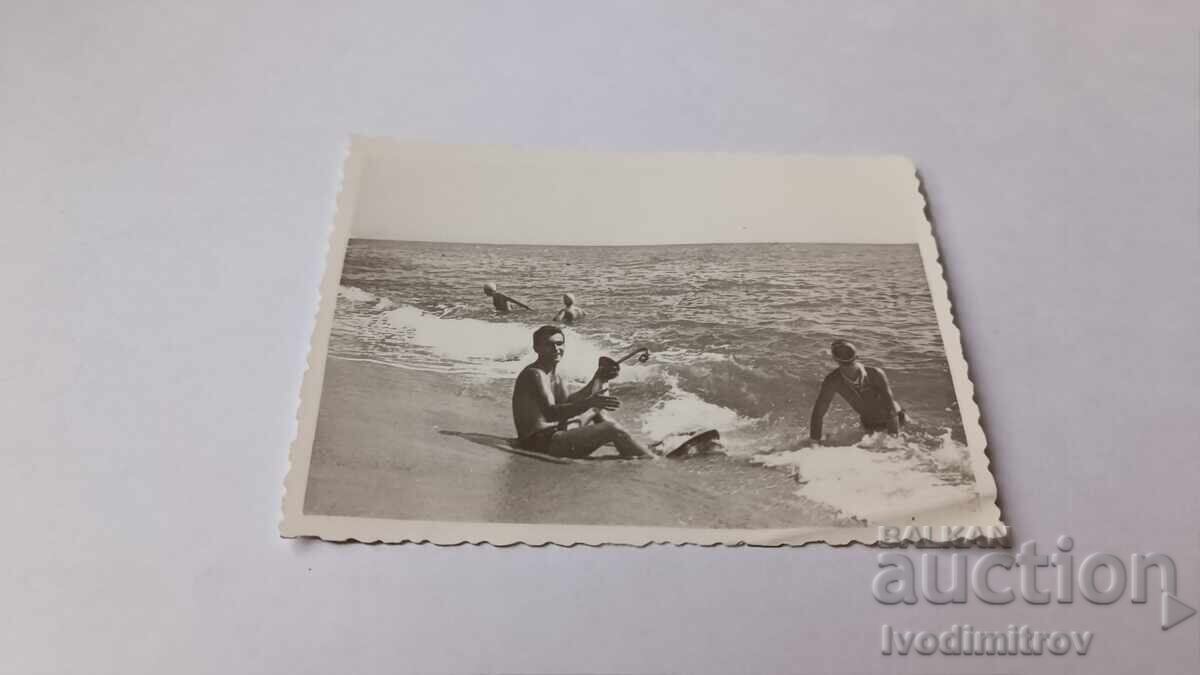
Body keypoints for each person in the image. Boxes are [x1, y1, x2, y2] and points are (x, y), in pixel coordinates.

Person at [512, 325, 652, 458]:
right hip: (538, 443)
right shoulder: (534, 374)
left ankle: (629, 444)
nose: (556, 348)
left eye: (560, 344)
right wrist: (588, 402)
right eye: (549, 344)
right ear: (537, 348)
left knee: (596, 411)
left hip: (554, 434)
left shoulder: (557, 375)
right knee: (611, 428)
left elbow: (568, 403)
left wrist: (597, 378)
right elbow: (551, 414)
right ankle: (648, 458)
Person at [807, 339, 906, 444]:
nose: (845, 356)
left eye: (847, 353)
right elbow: (818, 414)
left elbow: (890, 410)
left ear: (834, 359)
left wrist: (893, 439)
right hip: (869, 425)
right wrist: (814, 443)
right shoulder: (833, 381)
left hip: (897, 420)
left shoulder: (875, 374)